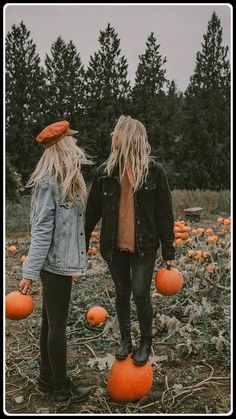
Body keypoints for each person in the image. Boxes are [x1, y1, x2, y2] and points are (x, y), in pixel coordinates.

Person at [85, 115, 175, 366]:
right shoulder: (106, 172)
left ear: (129, 136)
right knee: (122, 293)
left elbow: (165, 213)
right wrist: (81, 243)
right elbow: (92, 211)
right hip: (114, 246)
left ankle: (146, 341)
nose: (113, 136)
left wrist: (169, 251)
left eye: (117, 132)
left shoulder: (154, 172)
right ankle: (126, 339)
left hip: (145, 246)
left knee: (140, 294)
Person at [19, 121, 92, 403]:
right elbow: (41, 231)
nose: (75, 144)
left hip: (60, 263)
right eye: (70, 141)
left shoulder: (65, 177)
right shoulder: (50, 183)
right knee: (57, 326)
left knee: (50, 323)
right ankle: (61, 389)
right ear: (63, 145)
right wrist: (29, 272)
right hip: (54, 266)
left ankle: (46, 377)